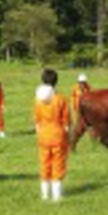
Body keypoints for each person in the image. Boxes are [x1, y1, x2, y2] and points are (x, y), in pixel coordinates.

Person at [35, 69, 70, 201]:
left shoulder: (37, 100)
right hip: (57, 135)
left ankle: (45, 194)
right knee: (58, 163)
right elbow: (66, 121)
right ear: (56, 82)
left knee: (44, 163)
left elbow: (36, 120)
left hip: (43, 135)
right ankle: (57, 195)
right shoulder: (61, 99)